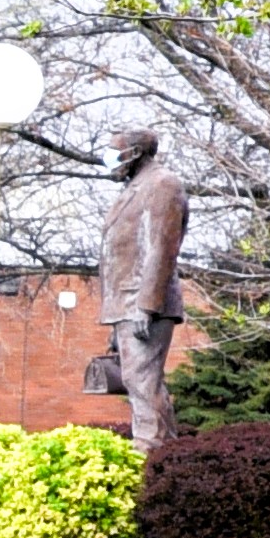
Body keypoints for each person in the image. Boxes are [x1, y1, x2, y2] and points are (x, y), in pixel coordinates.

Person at [85, 123, 186, 451]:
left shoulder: (162, 185)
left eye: (116, 153)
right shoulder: (134, 188)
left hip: (143, 302)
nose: (110, 160)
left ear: (137, 153)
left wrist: (147, 305)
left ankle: (149, 450)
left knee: (141, 380)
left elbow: (161, 247)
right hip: (125, 303)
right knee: (139, 379)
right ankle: (162, 448)